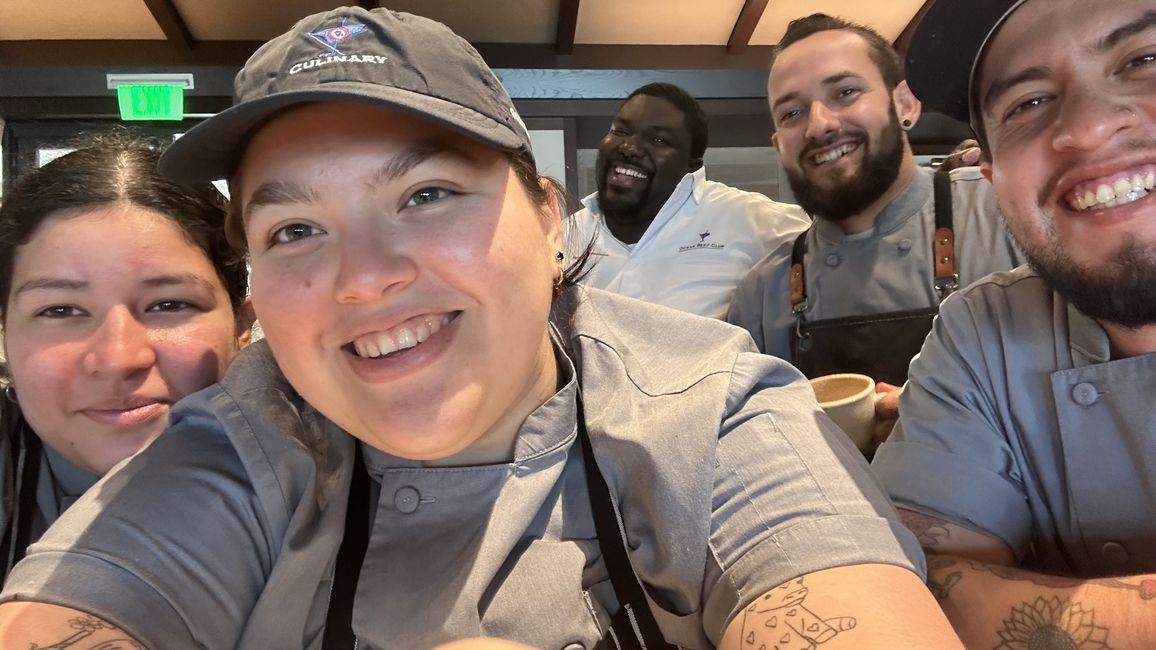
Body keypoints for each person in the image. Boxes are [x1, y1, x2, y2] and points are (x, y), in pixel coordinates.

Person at [0, 8, 963, 650]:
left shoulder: (709, 407)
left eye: (427, 195)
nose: (365, 278)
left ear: (549, 219)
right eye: (295, 229)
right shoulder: (244, 438)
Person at [871, 0, 1156, 645]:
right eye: (1027, 103)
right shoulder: (981, 332)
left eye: (1144, 60)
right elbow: (907, 588)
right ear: (994, 178)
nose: (1084, 128)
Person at [725, 14, 1023, 399]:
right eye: (791, 113)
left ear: (905, 104)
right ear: (779, 146)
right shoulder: (761, 296)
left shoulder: (1005, 214)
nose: (818, 125)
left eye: (845, 92)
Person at [0, 133, 254, 581]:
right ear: (5, 334)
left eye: (170, 304)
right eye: (60, 310)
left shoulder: (334, 484)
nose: (119, 357)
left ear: (242, 325)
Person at [565, 83, 809, 319]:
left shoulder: (745, 218)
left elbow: (830, 247)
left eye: (658, 140)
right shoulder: (564, 236)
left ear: (692, 166)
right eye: (620, 131)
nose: (629, 147)